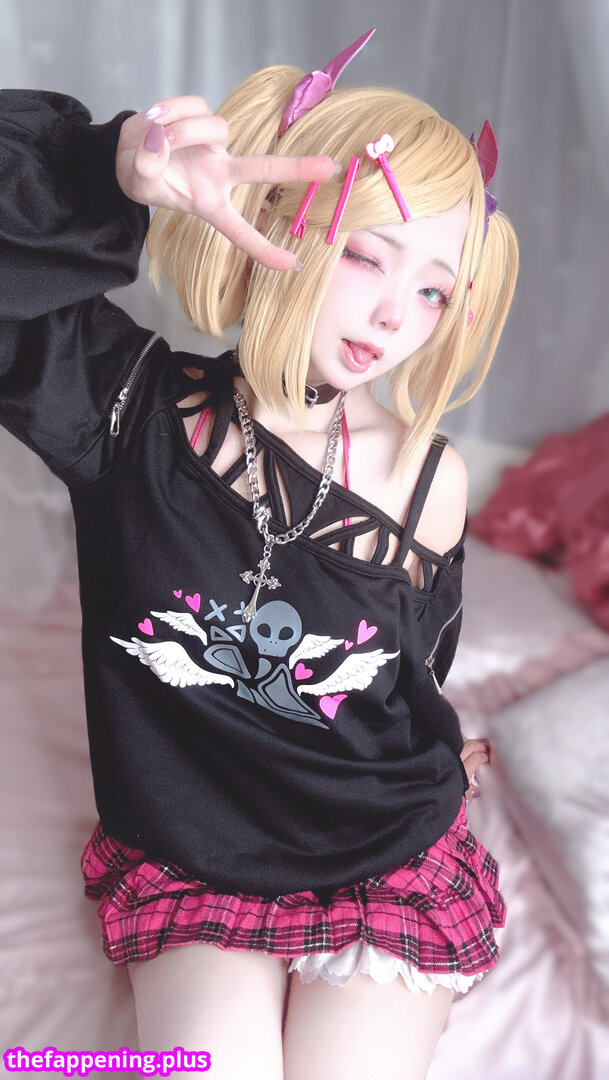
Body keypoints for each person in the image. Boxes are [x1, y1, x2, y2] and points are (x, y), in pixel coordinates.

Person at [0, 30, 518, 1080]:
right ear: (281, 225)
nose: (395, 315)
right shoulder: (124, 409)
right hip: (196, 855)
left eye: (433, 289)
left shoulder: (430, 477)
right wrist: (104, 165)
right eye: (367, 255)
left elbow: (409, 663)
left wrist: (441, 746)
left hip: (386, 850)